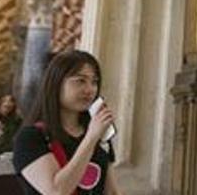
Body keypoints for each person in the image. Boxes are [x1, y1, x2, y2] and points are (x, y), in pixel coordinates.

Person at [13, 50, 123, 195]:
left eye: (94, 82)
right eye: (80, 81)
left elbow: (112, 191)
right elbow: (57, 191)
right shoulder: (31, 137)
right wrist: (90, 138)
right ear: (56, 83)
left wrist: (94, 135)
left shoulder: (97, 133)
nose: (90, 90)